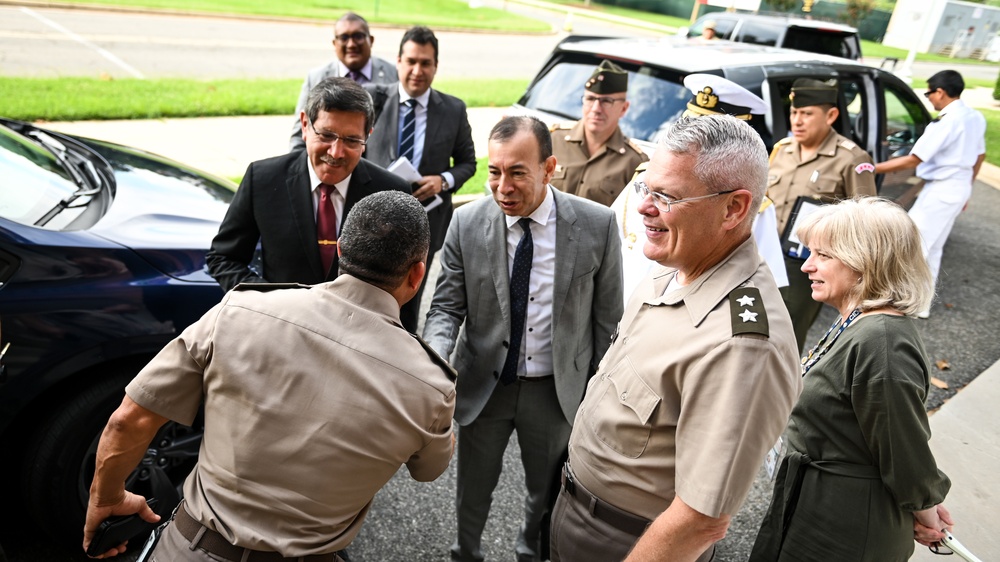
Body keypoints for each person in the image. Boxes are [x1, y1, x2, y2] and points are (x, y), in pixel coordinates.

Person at [83, 191, 456, 561]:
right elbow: (429, 470)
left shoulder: (240, 310)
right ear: (417, 273)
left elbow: (130, 418)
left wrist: (108, 495)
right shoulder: (431, 384)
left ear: (340, 249)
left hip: (191, 548)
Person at [549, 114, 801, 562]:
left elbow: (701, 518)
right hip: (579, 513)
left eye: (665, 196)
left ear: (734, 209)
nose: (644, 206)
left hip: (630, 544)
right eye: (647, 187)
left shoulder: (742, 344)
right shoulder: (675, 268)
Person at [423, 115, 623, 562]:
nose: (503, 186)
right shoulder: (466, 223)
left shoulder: (597, 225)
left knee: (545, 494)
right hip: (484, 388)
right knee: (472, 490)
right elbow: (445, 308)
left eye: (517, 172)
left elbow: (610, 324)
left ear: (549, 168)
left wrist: (599, 399)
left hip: (556, 393)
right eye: (494, 172)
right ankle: (465, 553)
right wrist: (435, 365)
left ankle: (530, 555)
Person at [749, 197, 953, 561]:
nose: (807, 266)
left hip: (845, 527)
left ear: (866, 261)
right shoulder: (860, 322)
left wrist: (926, 512)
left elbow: (902, 447)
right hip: (818, 507)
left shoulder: (882, 341)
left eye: (823, 256)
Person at [208, 77, 411, 293]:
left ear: (367, 138)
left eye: (351, 140)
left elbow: (403, 282)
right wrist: (271, 303)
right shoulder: (262, 180)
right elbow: (223, 258)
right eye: (326, 135)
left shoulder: (391, 194)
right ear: (305, 125)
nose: (336, 152)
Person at [613, 73, 786, 304]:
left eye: (666, 196)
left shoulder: (754, 207)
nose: (646, 205)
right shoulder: (643, 178)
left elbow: (763, 289)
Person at [363, 26, 477, 333]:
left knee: (408, 303)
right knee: (365, 297)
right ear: (398, 61)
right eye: (411, 61)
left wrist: (444, 179)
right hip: (372, 217)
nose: (417, 70)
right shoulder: (373, 98)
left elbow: (468, 163)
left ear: (436, 66)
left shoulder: (453, 110)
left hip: (424, 224)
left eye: (425, 63)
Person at [767, 78, 876, 351]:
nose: (797, 121)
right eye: (794, 113)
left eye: (807, 113)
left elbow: (868, 222)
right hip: (765, 254)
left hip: (805, 265)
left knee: (786, 334)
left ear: (831, 115)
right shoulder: (782, 149)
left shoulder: (851, 158)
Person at [874, 70, 986, 318]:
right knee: (933, 248)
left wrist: (871, 167)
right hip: (958, 186)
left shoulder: (947, 121)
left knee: (913, 245)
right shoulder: (975, 117)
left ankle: (898, 303)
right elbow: (980, 156)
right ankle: (921, 305)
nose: (929, 99)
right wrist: (968, 188)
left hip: (942, 189)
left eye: (929, 93)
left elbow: (914, 159)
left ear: (941, 92)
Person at [289, 12, 398, 151]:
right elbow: (300, 135)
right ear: (335, 43)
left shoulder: (394, 75)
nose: (351, 44)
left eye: (358, 36)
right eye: (344, 37)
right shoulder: (317, 78)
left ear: (371, 40)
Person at [549, 59, 647, 207]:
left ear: (624, 108)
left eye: (606, 101)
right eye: (590, 99)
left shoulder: (634, 162)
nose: (596, 108)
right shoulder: (552, 140)